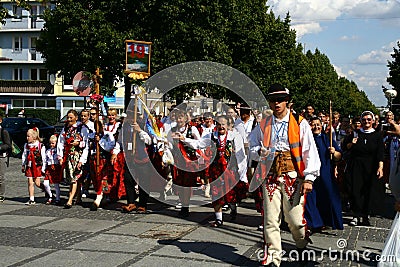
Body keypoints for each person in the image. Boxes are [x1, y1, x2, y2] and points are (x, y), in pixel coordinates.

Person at [249, 83, 320, 267]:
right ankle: (273, 257)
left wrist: (309, 177)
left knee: (295, 221)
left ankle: (302, 244)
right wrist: (259, 152)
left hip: (293, 176)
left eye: (280, 100)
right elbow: (252, 145)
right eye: (273, 100)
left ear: (288, 101)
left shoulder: (299, 122)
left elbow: (309, 151)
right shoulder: (264, 123)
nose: (277, 103)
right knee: (271, 219)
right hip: (270, 175)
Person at [178, 115, 248, 226]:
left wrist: (243, 175)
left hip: (231, 170)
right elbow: (199, 144)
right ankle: (218, 219)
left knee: (231, 195)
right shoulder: (211, 136)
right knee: (216, 194)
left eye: (223, 124)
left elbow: (241, 155)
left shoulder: (235, 136)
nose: (221, 126)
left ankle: (233, 208)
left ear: (229, 126)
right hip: (216, 171)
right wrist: (184, 139)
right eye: (219, 124)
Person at [342, 111, 384, 226]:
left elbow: (380, 152)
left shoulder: (377, 135)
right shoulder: (355, 133)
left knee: (368, 191)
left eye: (369, 119)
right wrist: (352, 143)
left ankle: (365, 215)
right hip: (356, 166)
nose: (366, 122)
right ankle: (356, 215)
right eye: (364, 119)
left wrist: (380, 167)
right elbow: (345, 147)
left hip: (371, 166)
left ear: (373, 121)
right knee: (355, 190)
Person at [305, 117, 343, 232]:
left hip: (325, 171)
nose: (316, 127)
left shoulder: (327, 139)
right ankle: (314, 223)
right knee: (312, 197)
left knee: (329, 195)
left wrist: (334, 152)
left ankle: (330, 221)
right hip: (311, 172)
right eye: (313, 125)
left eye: (318, 124)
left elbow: (339, 156)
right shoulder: (307, 140)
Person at [168, 108, 201, 217]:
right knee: (178, 183)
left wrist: (184, 139)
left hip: (189, 160)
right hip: (177, 160)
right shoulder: (172, 130)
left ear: (186, 119)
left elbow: (199, 143)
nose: (179, 119)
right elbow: (168, 144)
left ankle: (185, 206)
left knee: (187, 184)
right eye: (177, 117)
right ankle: (182, 202)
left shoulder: (192, 129)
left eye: (181, 117)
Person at [57, 109, 89, 209]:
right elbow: (60, 142)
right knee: (74, 178)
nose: (69, 119)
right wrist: (60, 156)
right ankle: (78, 197)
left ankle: (70, 199)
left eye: (71, 117)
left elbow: (86, 143)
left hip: (77, 156)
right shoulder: (66, 128)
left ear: (76, 118)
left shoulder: (81, 128)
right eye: (68, 117)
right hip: (68, 156)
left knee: (74, 178)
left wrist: (79, 145)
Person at [22, 128, 49, 205]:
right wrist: (23, 164)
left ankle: (47, 191)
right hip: (29, 166)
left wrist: (44, 167)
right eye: (27, 136)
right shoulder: (26, 145)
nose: (27, 138)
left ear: (34, 137)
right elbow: (24, 155)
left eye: (28, 136)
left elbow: (44, 158)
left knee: (37, 183)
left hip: (37, 166)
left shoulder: (40, 145)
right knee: (30, 182)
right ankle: (31, 199)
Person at [44, 135, 62, 205]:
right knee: (45, 183)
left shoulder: (58, 151)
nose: (51, 145)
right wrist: (44, 168)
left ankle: (58, 198)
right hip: (49, 168)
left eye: (53, 143)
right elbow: (45, 160)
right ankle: (51, 196)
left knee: (56, 184)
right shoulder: (48, 151)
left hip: (55, 167)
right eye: (50, 143)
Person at [0, 115, 11, 202]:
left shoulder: (3, 131)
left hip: (1, 156)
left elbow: (8, 145)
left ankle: (1, 195)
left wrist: (0, 147)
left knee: (1, 177)